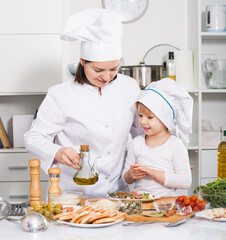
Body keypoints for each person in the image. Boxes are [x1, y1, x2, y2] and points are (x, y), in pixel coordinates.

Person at [24, 8, 143, 197]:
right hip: (73, 194)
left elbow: (142, 135)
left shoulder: (129, 88)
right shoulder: (61, 94)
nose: (106, 76)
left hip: (117, 191)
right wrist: (58, 152)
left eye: (113, 68)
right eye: (98, 70)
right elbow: (34, 137)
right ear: (82, 61)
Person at [122, 78, 193, 197]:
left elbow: (185, 181)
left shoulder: (175, 145)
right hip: (141, 205)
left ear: (165, 118)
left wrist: (151, 172)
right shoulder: (136, 143)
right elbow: (126, 179)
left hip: (166, 204)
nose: (143, 121)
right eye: (140, 115)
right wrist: (130, 174)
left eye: (150, 117)